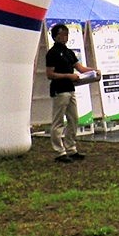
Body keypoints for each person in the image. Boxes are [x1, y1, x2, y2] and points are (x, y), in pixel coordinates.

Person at [45, 23, 99, 163]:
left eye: (66, 34)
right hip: (59, 90)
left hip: (70, 89)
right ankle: (59, 151)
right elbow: (50, 74)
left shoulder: (69, 52)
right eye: (62, 34)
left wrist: (94, 71)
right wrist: (68, 76)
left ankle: (71, 148)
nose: (65, 37)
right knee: (58, 121)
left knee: (73, 119)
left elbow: (80, 68)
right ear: (55, 36)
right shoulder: (52, 53)